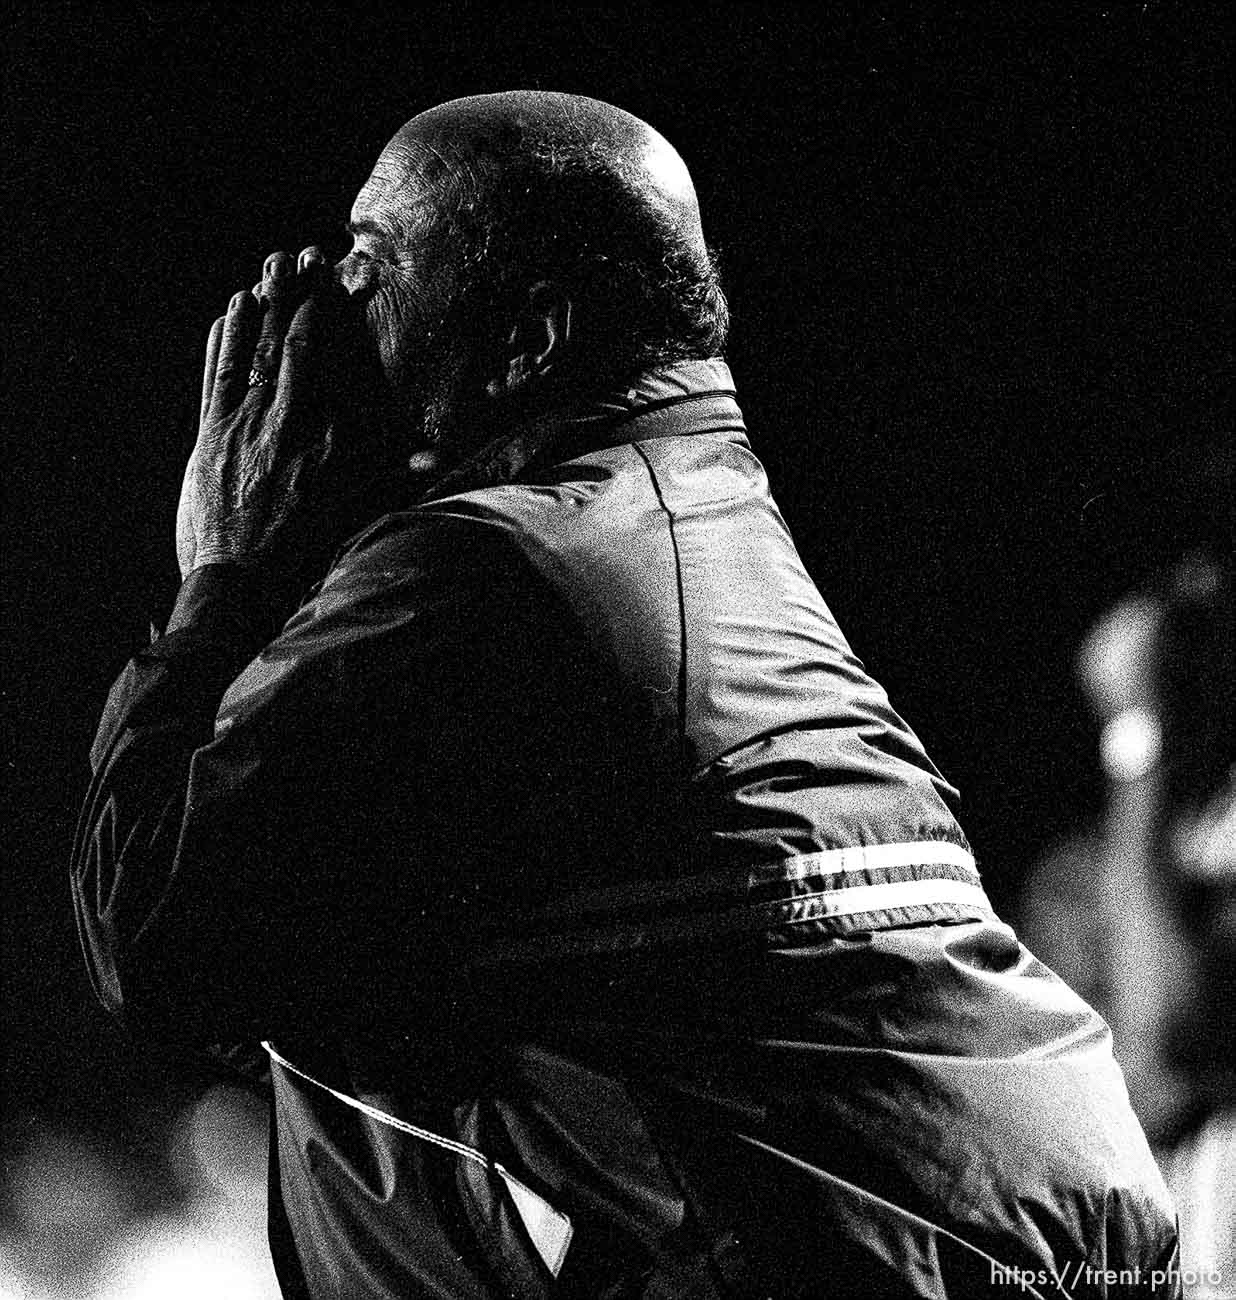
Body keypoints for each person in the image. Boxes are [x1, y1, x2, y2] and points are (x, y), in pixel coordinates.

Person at [72, 92, 1180, 1298]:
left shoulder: (501, 566)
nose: (321, 304)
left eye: (373, 261)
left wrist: (227, 570)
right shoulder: (677, 511)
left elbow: (157, 933)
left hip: (883, 1252)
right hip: (992, 1223)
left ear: (528, 342)